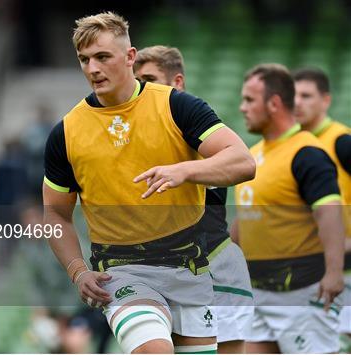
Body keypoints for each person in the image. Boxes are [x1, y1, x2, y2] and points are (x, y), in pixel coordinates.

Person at [43, 12, 255, 354]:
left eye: (102, 57)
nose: (92, 69)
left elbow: (243, 162)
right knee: (155, 349)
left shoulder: (177, 107)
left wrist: (184, 170)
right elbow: (55, 215)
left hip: (189, 268)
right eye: (84, 60)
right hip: (122, 271)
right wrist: (78, 271)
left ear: (129, 57)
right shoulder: (66, 133)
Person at [134, 45, 254, 354]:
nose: (141, 88)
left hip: (214, 264)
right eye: (137, 81)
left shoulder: (198, 130)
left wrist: (185, 170)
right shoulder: (137, 138)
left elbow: (242, 164)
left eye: (149, 78)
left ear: (177, 83)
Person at [233, 63, 345, 353]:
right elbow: (244, 221)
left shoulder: (307, 153)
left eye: (249, 100)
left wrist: (334, 272)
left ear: (273, 104)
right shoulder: (253, 155)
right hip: (258, 292)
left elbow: (329, 211)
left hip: (301, 294)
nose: (242, 107)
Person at [292, 67, 351, 339]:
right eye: (292, 95)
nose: (298, 102)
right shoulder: (290, 146)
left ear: (325, 100)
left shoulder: (342, 142)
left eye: (306, 95)